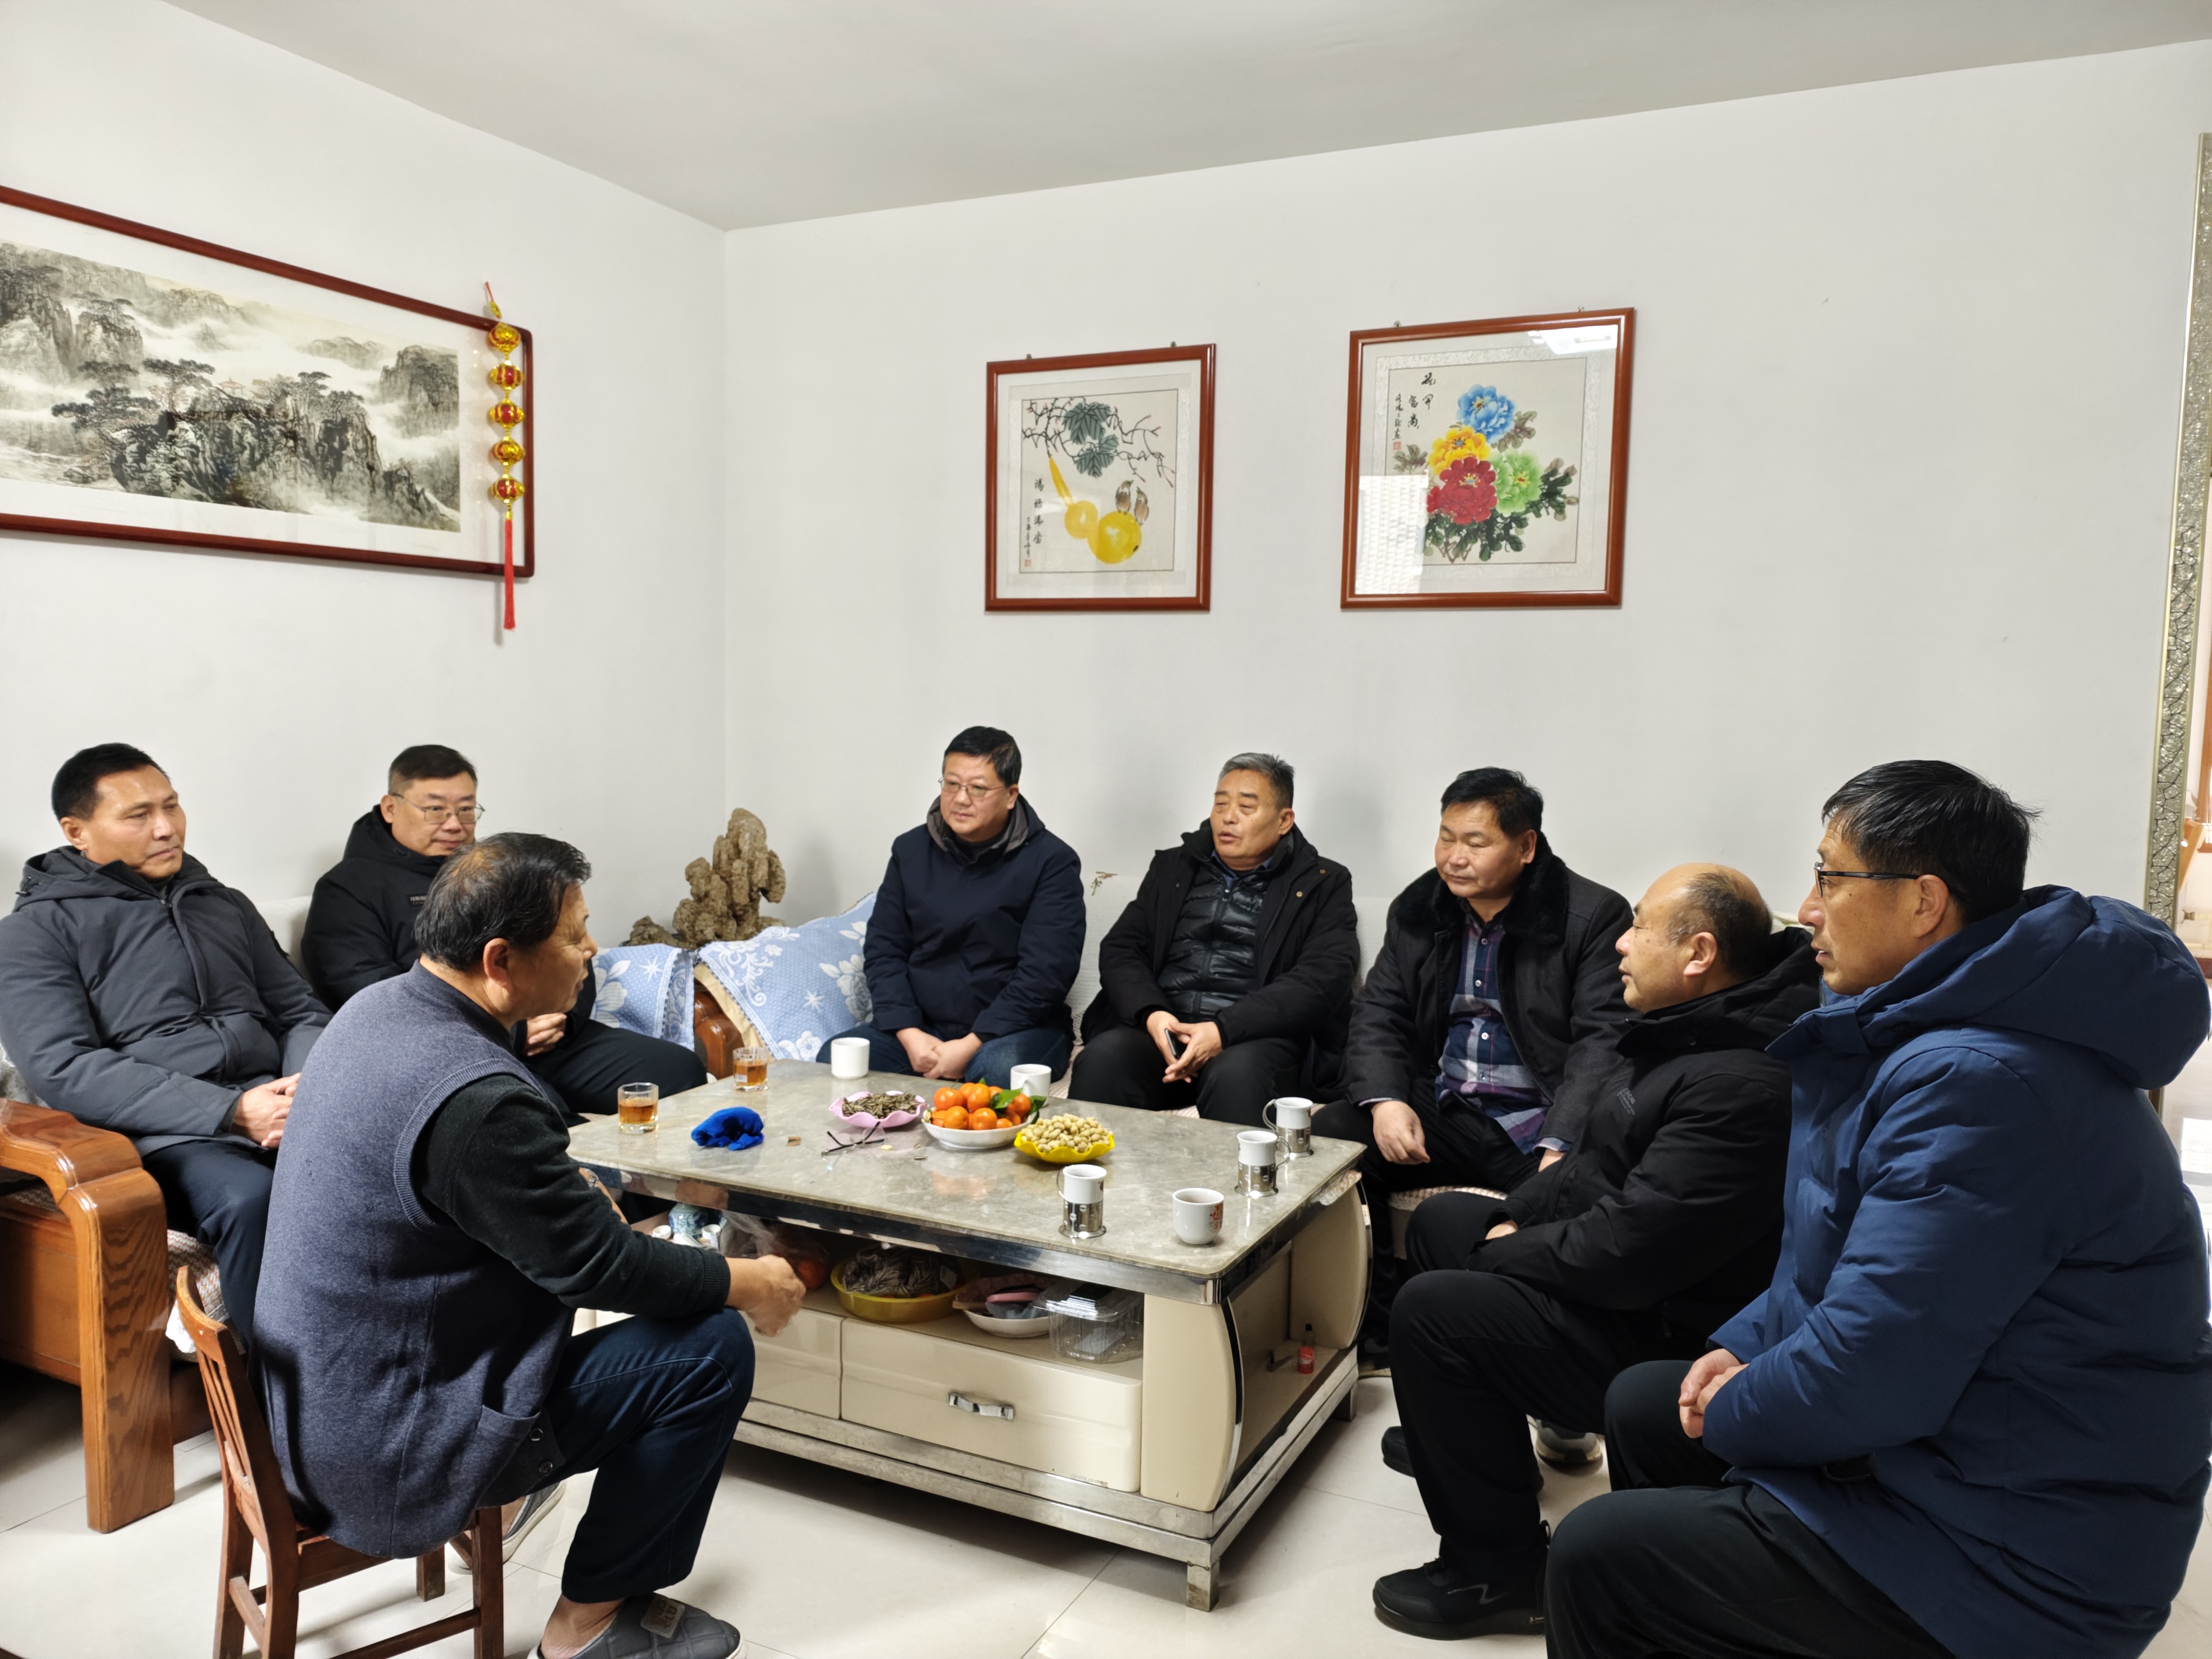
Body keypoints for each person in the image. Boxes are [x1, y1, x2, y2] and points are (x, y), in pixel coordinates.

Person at [1548, 761, 2212, 1659]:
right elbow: (1843, 1259)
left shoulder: (1983, 1082)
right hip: (1956, 1460)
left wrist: (1737, 1406)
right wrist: (1745, 1345)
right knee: (1646, 1404)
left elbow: (1875, 1368)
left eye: (1830, 878)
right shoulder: (1933, 1034)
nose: (1806, 909)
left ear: (1924, 901)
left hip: (2017, 1555)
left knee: (1601, 1554)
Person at [257, 834, 804, 1659]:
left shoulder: (378, 1010)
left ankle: (554, 1551)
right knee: (710, 1348)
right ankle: (586, 1627)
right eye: (575, 934)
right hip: (395, 1446)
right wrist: (751, 1281)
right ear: (501, 960)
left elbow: (471, 1195)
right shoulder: (475, 1097)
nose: (593, 950)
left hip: (322, 1405)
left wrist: (568, 1199)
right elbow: (602, 1268)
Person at [1367, 865, 1818, 1641]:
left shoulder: (1740, 1081)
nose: (1621, 943)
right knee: (1446, 1224)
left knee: (1436, 1311)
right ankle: (1481, 1443)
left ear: (1698, 954)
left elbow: (1630, 1252)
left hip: (1665, 1333)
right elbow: (1591, 1167)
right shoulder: (1689, 1027)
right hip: (1626, 1276)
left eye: (1640, 926)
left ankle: (1500, 1574)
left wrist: (1502, 1253)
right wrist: (1511, 1217)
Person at [0, 744, 328, 1345]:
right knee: (252, 1199)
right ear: (76, 831)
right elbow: (64, 1068)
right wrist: (231, 1111)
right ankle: (281, 1392)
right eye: (138, 815)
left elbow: (300, 1010)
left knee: (410, 1157)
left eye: (171, 806)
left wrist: (301, 1090)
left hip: (279, 1103)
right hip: (163, 1136)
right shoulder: (32, 934)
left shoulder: (222, 904)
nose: (165, 828)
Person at [1316, 768, 1632, 1362]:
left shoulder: (1592, 916)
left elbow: (1603, 1040)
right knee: (1334, 1133)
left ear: (1526, 846)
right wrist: (1386, 1102)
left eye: (1475, 842)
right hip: (1449, 1109)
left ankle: (1517, 1358)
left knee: (1584, 1197)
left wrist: (1562, 1141)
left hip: (1537, 1124)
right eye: (1446, 837)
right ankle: (1376, 1333)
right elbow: (1379, 1011)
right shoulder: (1421, 907)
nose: (1454, 858)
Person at [301, 744, 706, 1121]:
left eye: (466, 810)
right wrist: (512, 1031)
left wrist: (561, 1016)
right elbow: (368, 991)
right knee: (545, 1117)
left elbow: (569, 944)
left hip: (552, 1036)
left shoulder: (500, 869)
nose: (454, 824)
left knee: (677, 1070)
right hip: (459, 1045)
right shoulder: (349, 887)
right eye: (435, 810)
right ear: (391, 808)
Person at [1070, 753, 1358, 1124]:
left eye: (1246, 807)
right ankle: (1089, 1164)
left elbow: (1323, 978)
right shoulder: (1173, 868)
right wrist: (1152, 1015)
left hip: (1253, 1041)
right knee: (1104, 1059)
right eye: (1221, 804)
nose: (1228, 817)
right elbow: (1122, 949)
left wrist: (1224, 1029)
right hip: (1164, 1034)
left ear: (1284, 820)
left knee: (1237, 1077)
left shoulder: (1322, 883)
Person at [824, 726, 1084, 1087]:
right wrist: (909, 1033)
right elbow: (885, 950)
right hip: (923, 1027)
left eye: (977, 788)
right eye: (951, 784)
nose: (961, 799)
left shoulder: (1051, 862)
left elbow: (1045, 973)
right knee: (836, 1058)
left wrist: (970, 1045)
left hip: (1014, 1030)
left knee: (995, 1073)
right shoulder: (910, 852)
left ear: (1011, 795)